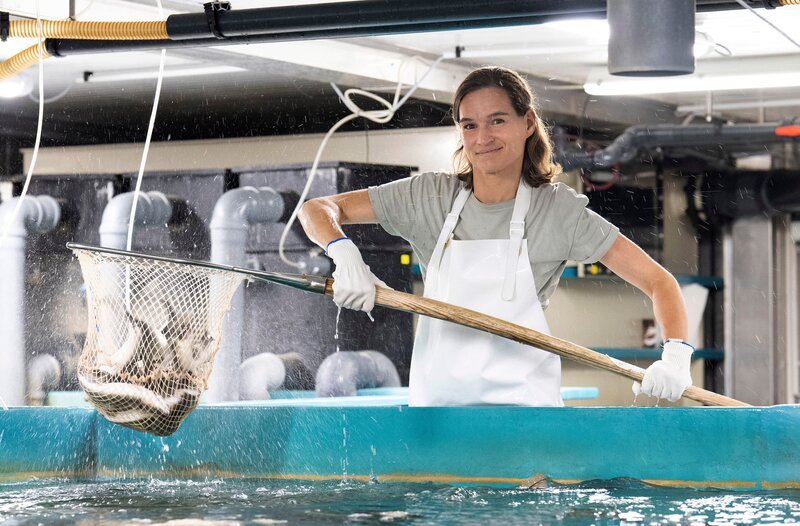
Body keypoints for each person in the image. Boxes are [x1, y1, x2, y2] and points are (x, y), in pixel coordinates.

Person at [298, 66, 693, 407]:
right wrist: (344, 253)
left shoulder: (557, 211)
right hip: (438, 416)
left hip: (526, 418)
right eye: (469, 125)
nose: (482, 137)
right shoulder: (428, 197)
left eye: (497, 120)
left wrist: (675, 357)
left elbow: (659, 281)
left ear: (528, 123)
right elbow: (317, 209)